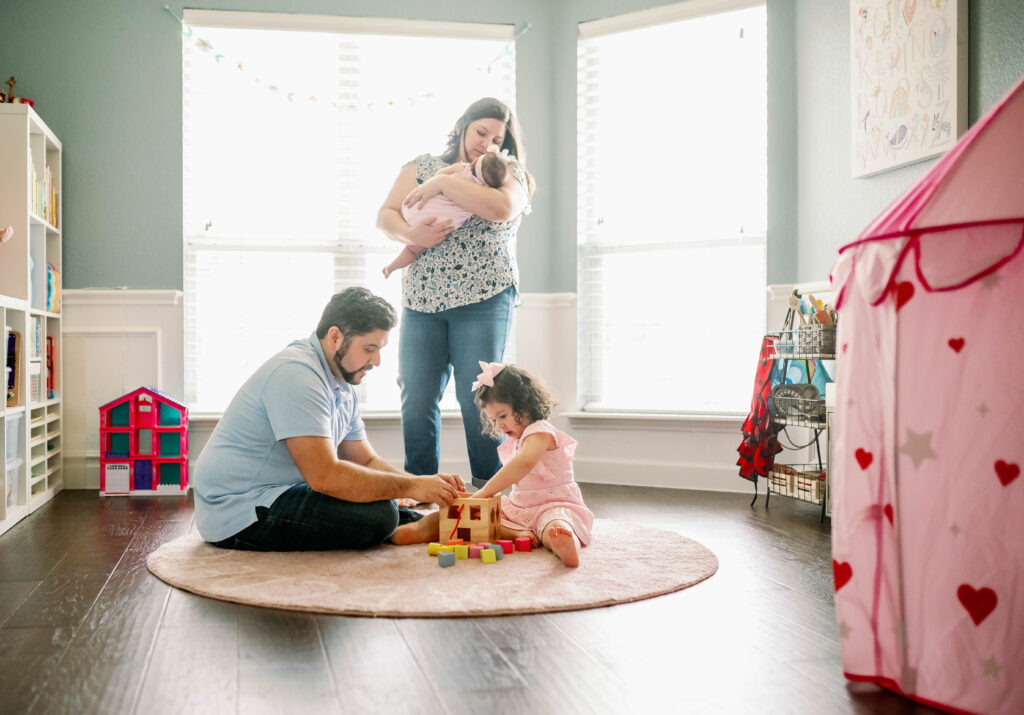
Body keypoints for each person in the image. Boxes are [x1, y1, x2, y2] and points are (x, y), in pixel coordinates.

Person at [193, 287, 464, 551]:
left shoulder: (341, 384)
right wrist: (413, 486)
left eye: (380, 349)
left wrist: (424, 486)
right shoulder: (297, 375)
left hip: (279, 490)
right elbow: (325, 476)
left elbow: (366, 460)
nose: (377, 361)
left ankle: (409, 525)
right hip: (236, 508)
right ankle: (399, 528)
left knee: (381, 498)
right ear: (335, 336)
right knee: (380, 514)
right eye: (369, 348)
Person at [376, 97, 535, 489]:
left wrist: (445, 182)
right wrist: (410, 235)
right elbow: (386, 215)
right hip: (423, 300)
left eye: (497, 137)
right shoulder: (420, 166)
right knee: (417, 399)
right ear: (462, 126)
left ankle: (488, 492)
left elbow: (500, 209)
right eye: (481, 132)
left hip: (484, 298)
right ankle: (421, 490)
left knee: (479, 401)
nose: (487, 143)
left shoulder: (506, 172)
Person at [470, 362, 594, 568]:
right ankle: (520, 533)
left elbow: (524, 462)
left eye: (503, 416)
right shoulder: (517, 439)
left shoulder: (540, 431)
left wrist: (484, 492)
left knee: (554, 524)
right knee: (486, 513)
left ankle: (563, 540)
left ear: (525, 406)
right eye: (494, 420)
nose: (500, 425)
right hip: (521, 507)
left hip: (553, 505)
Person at [382, 147, 511, 278]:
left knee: (413, 242)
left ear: (474, 162)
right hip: (431, 222)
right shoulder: (482, 193)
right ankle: (391, 268)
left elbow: (439, 174)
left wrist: (435, 181)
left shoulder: (462, 168)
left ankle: (390, 267)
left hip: (415, 207)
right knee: (411, 250)